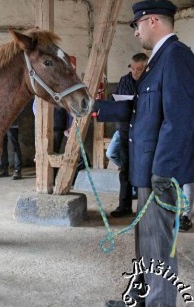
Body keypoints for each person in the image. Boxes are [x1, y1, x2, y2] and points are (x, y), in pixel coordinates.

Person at [94, 1, 194, 306]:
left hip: (159, 173)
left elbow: (180, 120)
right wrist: (94, 108)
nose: (136, 32)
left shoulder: (176, 57)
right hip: (145, 170)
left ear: (152, 21)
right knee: (145, 245)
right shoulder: (157, 60)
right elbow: (139, 108)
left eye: (137, 25)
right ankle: (140, 299)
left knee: (159, 248)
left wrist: (164, 172)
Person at [107, 53, 148, 218]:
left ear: (146, 67)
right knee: (124, 170)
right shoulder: (125, 80)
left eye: (140, 69)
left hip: (144, 132)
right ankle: (124, 206)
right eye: (133, 68)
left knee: (145, 169)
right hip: (125, 129)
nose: (136, 72)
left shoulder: (151, 80)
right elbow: (118, 100)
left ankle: (145, 209)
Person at [0, 114, 23, 180]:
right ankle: (4, 169)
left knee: (15, 146)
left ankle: (17, 170)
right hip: (1, 124)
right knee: (2, 146)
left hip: (12, 122)